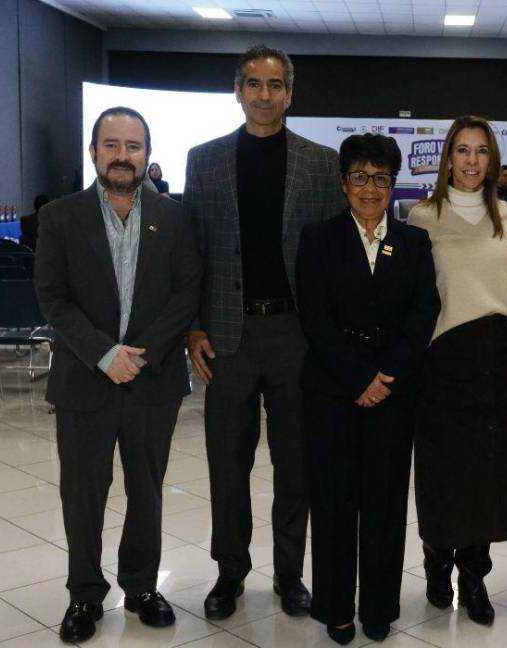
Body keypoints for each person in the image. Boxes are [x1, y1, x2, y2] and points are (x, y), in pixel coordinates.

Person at [183, 44, 347, 621]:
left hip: (294, 337)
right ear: (238, 90)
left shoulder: (321, 163)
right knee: (228, 465)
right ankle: (230, 572)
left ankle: (288, 574)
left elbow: (330, 259)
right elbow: (193, 252)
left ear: (290, 93)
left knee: (295, 465)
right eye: (253, 83)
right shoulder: (203, 161)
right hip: (225, 338)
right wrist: (194, 325)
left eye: (275, 85)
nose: (263, 94)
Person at [34, 106, 201, 643]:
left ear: (147, 154)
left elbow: (185, 294)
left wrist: (143, 355)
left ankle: (142, 587)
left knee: (146, 490)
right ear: (93, 152)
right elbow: (54, 299)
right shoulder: (60, 217)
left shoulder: (174, 217)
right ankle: (84, 595)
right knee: (83, 494)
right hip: (85, 378)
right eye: (111, 145)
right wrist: (105, 354)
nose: (122, 156)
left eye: (133, 146)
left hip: (152, 381)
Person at [297, 133, 439, 645]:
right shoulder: (318, 238)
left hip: (393, 393)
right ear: (343, 182)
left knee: (383, 504)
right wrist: (358, 378)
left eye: (381, 177)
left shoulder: (415, 242)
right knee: (334, 503)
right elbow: (314, 316)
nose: (370, 187)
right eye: (360, 176)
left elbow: (424, 315)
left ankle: (378, 606)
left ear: (393, 183)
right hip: (333, 391)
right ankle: (335, 606)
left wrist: (386, 377)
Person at [407, 115, 507, 627]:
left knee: (486, 472)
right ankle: (437, 562)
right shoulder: (421, 216)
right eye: (463, 150)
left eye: (481, 151)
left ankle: (474, 576)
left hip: (496, 355)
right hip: (442, 357)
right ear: (447, 158)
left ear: (491, 159)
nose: (472, 161)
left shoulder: (506, 213)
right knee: (441, 470)